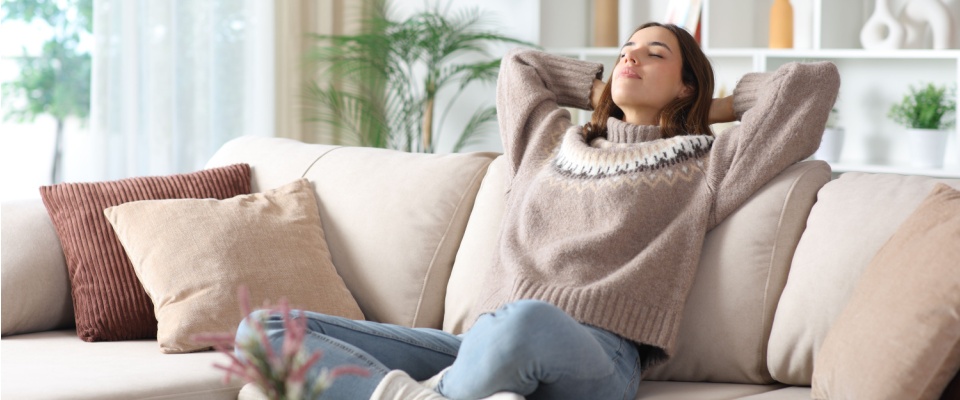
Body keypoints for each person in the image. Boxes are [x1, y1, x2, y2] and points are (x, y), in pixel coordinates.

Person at [236, 22, 840, 400]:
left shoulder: (706, 162)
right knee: (261, 330)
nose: (631, 57)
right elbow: (520, 68)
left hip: (599, 358)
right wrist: (605, 85)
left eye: (655, 54)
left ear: (686, 86)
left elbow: (810, 87)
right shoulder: (550, 143)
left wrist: (713, 106)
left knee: (526, 320)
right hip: (480, 344)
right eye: (626, 48)